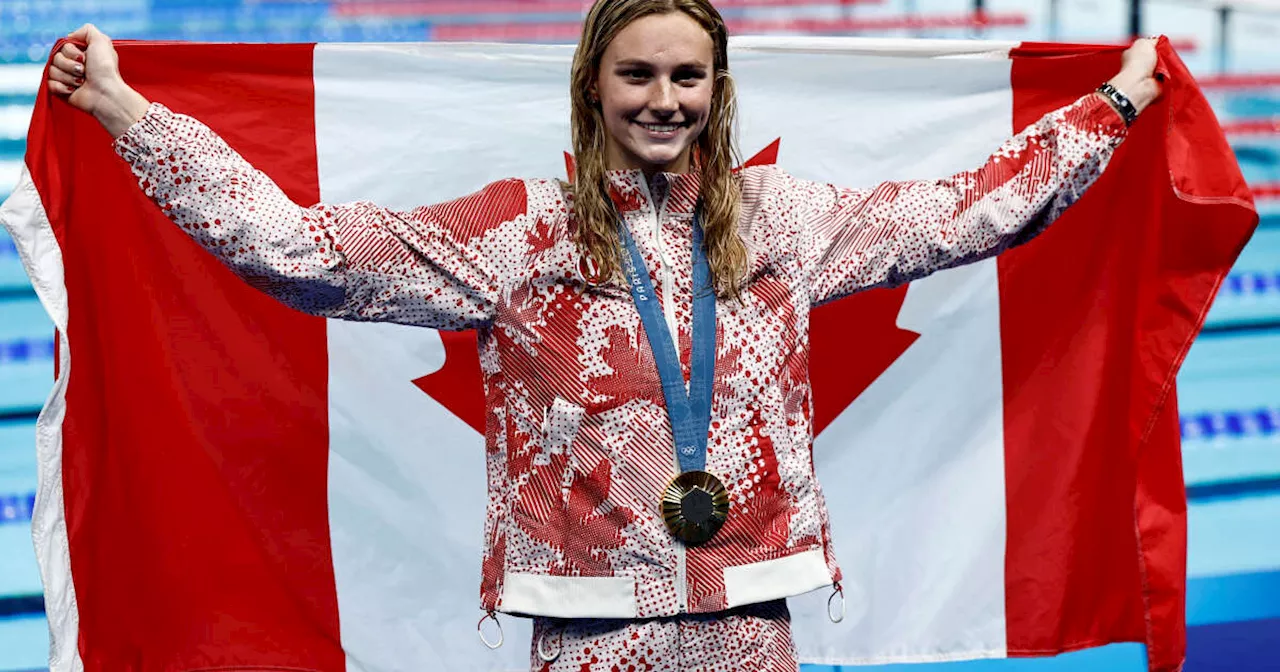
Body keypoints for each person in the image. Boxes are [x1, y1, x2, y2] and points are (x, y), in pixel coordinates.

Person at [48, 1, 1161, 670]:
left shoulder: (786, 221)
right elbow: (300, 252)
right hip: (587, 629)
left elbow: (968, 208)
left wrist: (1109, 104)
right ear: (593, 85)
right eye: (638, 73)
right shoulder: (519, 234)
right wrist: (127, 114)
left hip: (748, 612)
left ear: (718, 90)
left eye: (687, 75)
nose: (663, 98)